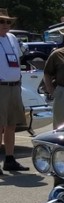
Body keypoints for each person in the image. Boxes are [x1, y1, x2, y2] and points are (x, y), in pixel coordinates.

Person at [0, 8, 29, 173]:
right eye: (1, 21)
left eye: (7, 21)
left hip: (14, 86)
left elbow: (16, 60)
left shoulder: (11, 38)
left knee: (11, 125)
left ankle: (10, 159)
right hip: (0, 87)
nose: (5, 24)